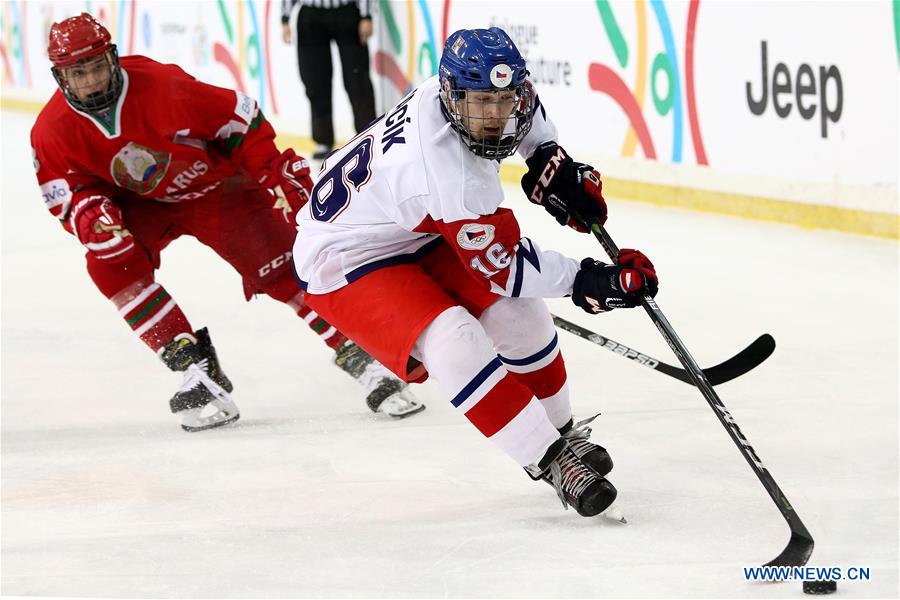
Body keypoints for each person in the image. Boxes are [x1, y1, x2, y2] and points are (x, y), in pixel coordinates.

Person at [292, 27, 660, 516]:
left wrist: (551, 161)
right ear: (451, 96)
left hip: (414, 229)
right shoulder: (445, 170)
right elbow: (503, 268)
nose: (493, 115)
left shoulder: (474, 97)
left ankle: (562, 433)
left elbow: (529, 121)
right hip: (345, 258)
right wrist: (590, 280)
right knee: (454, 338)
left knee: (520, 316)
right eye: (480, 101)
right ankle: (550, 460)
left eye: (503, 99)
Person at [30, 13, 424, 432]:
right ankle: (193, 366)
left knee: (286, 270)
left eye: (95, 67)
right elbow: (64, 192)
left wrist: (270, 170)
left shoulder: (162, 85)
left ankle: (363, 356)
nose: (90, 81)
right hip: (142, 206)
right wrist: (89, 213)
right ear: (60, 76)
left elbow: (240, 117)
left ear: (112, 58)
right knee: (108, 260)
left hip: (216, 190)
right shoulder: (50, 131)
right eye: (78, 73)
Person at [281, 0, 377, 159]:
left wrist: (366, 15)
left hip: (347, 11)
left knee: (357, 78)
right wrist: (285, 18)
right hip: (311, 15)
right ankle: (323, 140)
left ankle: (368, 134)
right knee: (315, 81)